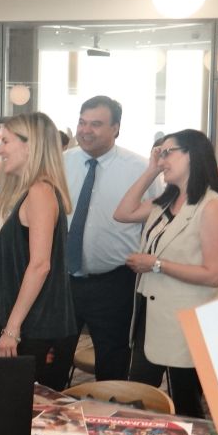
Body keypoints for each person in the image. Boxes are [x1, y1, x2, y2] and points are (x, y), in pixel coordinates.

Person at [114, 129, 218, 417]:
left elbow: (214, 275)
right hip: (149, 314)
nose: (162, 160)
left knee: (187, 405)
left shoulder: (211, 206)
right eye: (158, 154)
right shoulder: (164, 202)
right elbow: (122, 213)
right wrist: (151, 170)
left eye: (167, 153)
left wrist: (157, 264)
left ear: (192, 155)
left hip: (188, 319)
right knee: (139, 397)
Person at [64, 95, 162, 381]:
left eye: (95, 124)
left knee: (113, 362)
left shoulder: (140, 169)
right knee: (53, 356)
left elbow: (157, 223)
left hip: (115, 282)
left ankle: (108, 409)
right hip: (63, 281)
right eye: (82, 122)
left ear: (116, 128)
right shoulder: (60, 163)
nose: (85, 130)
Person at [0, 112, 76, 390]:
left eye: (6, 141)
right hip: (27, 327)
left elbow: (39, 265)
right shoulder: (35, 191)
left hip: (33, 331)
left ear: (30, 145)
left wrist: (12, 330)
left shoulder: (40, 192)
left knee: (23, 410)